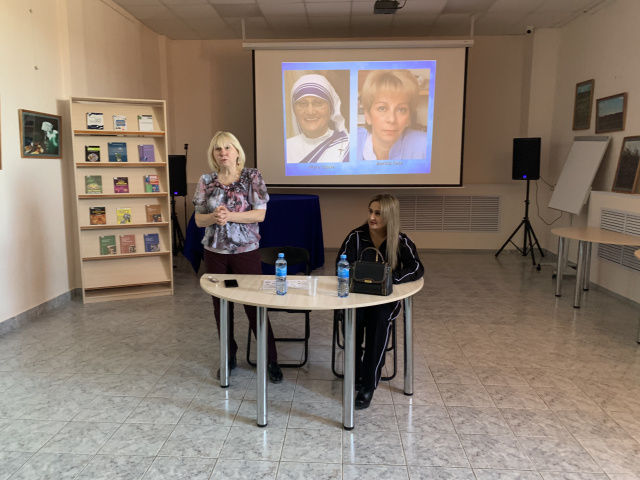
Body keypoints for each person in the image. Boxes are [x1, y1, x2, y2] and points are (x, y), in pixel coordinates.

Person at [193, 131, 283, 383]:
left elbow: (259, 215)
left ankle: (270, 359)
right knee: (221, 308)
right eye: (218, 149)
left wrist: (229, 216)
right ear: (213, 154)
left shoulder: (252, 176)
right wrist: (213, 217)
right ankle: (228, 356)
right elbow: (199, 219)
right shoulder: (206, 180)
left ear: (237, 152)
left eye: (228, 148)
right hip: (215, 254)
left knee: (255, 305)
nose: (223, 153)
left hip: (246, 252)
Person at [337, 193, 424, 409]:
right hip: (357, 297)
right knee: (353, 321)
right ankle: (355, 374)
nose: (372, 217)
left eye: (378, 213)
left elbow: (416, 267)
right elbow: (341, 263)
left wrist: (390, 278)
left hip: (384, 299)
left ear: (390, 216)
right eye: (370, 211)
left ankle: (368, 385)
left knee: (378, 323)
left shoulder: (401, 241)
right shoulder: (355, 237)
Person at [357, 70, 428, 161]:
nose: (392, 119)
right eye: (382, 108)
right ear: (367, 116)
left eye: (401, 109)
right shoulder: (349, 142)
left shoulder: (426, 146)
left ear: (409, 118)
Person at [286, 74, 350, 164]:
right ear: (294, 110)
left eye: (318, 103)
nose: (310, 112)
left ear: (331, 108)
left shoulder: (348, 146)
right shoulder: (285, 148)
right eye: (302, 103)